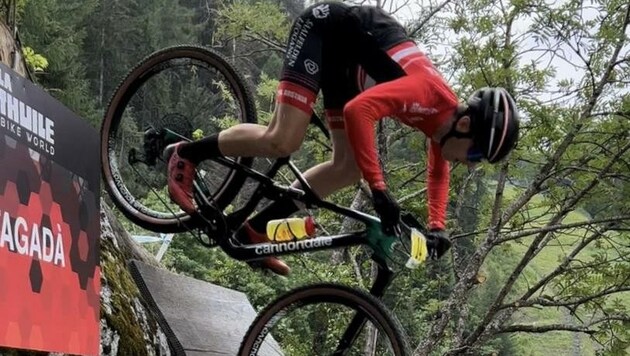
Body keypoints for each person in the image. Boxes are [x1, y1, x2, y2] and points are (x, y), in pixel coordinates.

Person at [164, 2, 520, 276]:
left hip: (347, 66)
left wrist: (437, 228)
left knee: (347, 168)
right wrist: (379, 190)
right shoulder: (427, 94)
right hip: (325, 29)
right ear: (465, 125)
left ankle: (255, 231)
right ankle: (187, 153)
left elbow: (438, 174)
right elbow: (358, 113)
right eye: (475, 152)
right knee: (283, 140)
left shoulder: (442, 128)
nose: (470, 162)